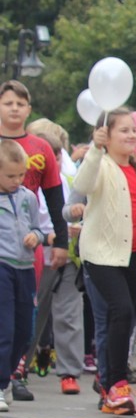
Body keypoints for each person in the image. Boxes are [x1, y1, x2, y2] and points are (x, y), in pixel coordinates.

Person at [74, 109, 136, 415]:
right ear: (107, 134)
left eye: (132, 130)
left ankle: (109, 383)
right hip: (101, 254)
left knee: (127, 320)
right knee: (120, 311)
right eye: (122, 130)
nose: (130, 135)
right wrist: (95, 148)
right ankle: (115, 384)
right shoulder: (100, 165)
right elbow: (83, 185)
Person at [0, 79, 68, 401]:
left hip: (28, 254)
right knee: (3, 322)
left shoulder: (40, 149)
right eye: (8, 103)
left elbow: (54, 199)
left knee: (23, 323)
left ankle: (16, 374)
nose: (14, 109)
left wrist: (60, 242)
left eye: (20, 103)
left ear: (29, 109)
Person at [25, 119, 85, 396]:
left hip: (68, 257)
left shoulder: (70, 180)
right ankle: (18, 367)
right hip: (35, 257)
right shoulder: (23, 181)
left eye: (58, 154)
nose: (54, 160)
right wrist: (49, 237)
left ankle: (69, 372)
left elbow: (78, 209)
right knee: (31, 316)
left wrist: (75, 228)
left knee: (69, 316)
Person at [0, 140, 44, 412]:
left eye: (21, 175)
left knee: (25, 331)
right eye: (10, 176)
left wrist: (36, 237)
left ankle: (6, 376)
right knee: (4, 328)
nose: (17, 181)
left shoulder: (28, 198)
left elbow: (39, 228)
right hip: (2, 266)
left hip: (25, 268)